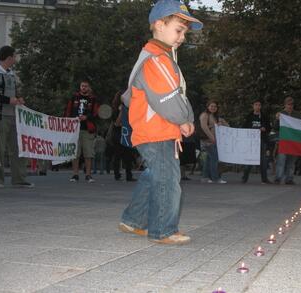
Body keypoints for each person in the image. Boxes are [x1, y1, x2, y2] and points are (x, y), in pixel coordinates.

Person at [118, 0, 201, 245]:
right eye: (179, 30)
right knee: (167, 179)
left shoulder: (159, 57)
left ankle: (133, 219)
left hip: (153, 129)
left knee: (154, 175)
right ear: (159, 24)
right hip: (158, 131)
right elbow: (169, 98)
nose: (182, 37)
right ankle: (163, 229)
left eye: (185, 32)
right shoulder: (156, 59)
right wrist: (185, 120)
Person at [0, 45, 34, 188]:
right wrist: (8, 100)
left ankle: (19, 179)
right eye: (15, 56)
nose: (16, 59)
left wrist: (18, 98)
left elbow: (13, 93)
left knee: (17, 148)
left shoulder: (10, 74)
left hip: (14, 116)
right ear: (9, 57)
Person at [65, 80, 99, 183]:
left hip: (87, 129)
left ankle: (88, 175)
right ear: (80, 87)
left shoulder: (93, 99)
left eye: (86, 86)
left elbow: (96, 113)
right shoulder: (74, 97)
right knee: (75, 153)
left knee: (88, 153)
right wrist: (69, 122)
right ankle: (75, 174)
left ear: (89, 88)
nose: (84, 88)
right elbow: (67, 111)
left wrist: (87, 117)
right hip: (75, 129)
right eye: (82, 86)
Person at [242, 100, 272, 184]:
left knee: (263, 160)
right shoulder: (249, 116)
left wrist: (264, 129)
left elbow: (269, 128)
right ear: (253, 106)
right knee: (249, 160)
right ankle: (244, 177)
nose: (258, 107)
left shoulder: (264, 116)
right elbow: (244, 127)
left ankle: (264, 179)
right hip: (250, 141)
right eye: (256, 105)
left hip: (261, 140)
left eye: (259, 105)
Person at [199, 100, 228, 183]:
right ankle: (215, 178)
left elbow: (227, 126)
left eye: (215, 106)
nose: (213, 108)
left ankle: (205, 177)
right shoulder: (204, 115)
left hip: (214, 141)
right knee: (214, 159)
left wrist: (221, 123)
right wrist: (212, 138)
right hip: (208, 141)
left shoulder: (215, 117)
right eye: (211, 106)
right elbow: (204, 127)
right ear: (208, 107)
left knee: (209, 159)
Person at [110, 91, 136, 181]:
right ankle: (117, 174)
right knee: (118, 155)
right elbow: (117, 123)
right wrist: (121, 112)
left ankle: (129, 175)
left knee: (128, 155)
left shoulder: (129, 108)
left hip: (126, 134)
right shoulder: (115, 109)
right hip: (118, 135)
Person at [274, 97, 298, 184]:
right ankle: (278, 178)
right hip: (283, 141)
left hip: (294, 141)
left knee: (291, 161)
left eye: (291, 104)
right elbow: (275, 127)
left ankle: (289, 179)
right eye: (288, 104)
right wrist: (277, 119)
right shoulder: (281, 114)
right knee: (281, 160)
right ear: (285, 105)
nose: (290, 106)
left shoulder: (297, 115)